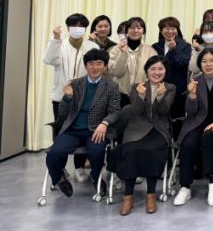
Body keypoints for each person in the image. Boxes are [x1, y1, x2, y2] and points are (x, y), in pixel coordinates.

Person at [46, 48, 120, 198]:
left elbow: (115, 111)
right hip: (72, 130)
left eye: (99, 63)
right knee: (54, 152)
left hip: (95, 130)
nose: (95, 67)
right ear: (85, 66)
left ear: (105, 66)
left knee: (97, 151)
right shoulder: (75, 84)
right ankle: (59, 179)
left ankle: (96, 177)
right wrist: (67, 98)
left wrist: (105, 123)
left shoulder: (111, 86)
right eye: (91, 64)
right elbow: (62, 112)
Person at [174, 48, 213, 206]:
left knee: (209, 136)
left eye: (211, 61)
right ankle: (185, 187)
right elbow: (190, 111)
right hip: (197, 123)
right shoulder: (195, 81)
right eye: (204, 61)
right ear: (200, 64)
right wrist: (192, 95)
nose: (208, 64)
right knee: (188, 143)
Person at [116, 56, 176, 215]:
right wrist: (141, 96)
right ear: (147, 71)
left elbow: (163, 110)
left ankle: (151, 194)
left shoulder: (170, 88)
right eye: (153, 69)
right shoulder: (137, 86)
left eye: (160, 69)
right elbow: (136, 111)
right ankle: (128, 196)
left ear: (165, 71)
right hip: (137, 128)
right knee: (131, 150)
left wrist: (160, 97)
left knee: (152, 149)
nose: (157, 72)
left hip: (158, 129)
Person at [43, 13, 99, 182]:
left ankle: (79, 168)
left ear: (86, 29)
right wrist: (55, 39)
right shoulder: (60, 44)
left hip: (84, 98)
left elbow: (96, 69)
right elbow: (48, 59)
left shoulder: (91, 46)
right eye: (74, 25)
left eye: (81, 26)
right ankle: (59, 171)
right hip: (61, 97)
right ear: (68, 28)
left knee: (82, 132)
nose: (78, 29)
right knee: (61, 133)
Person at [151, 17, 192, 133]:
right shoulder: (155, 46)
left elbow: (182, 64)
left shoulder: (185, 46)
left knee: (177, 122)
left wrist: (173, 50)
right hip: (158, 90)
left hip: (178, 91)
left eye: (173, 28)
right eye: (166, 28)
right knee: (159, 121)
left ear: (177, 30)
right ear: (161, 31)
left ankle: (177, 143)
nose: (170, 31)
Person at [108, 17, 157, 107]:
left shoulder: (150, 51)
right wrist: (123, 54)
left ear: (143, 31)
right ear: (127, 31)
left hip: (142, 94)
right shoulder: (116, 49)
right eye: (132, 28)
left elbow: (154, 74)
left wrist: (142, 88)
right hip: (120, 95)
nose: (135, 30)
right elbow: (115, 72)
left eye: (139, 28)